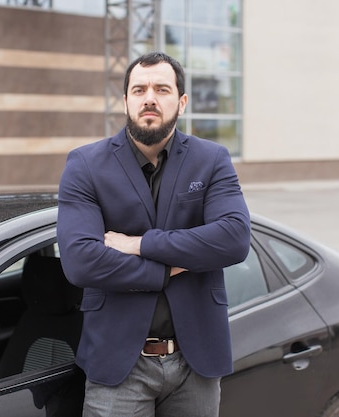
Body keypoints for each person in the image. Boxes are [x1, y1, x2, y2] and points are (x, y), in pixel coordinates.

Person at [57, 51, 250, 417]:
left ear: (181, 101)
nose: (150, 97)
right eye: (139, 89)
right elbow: (81, 261)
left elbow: (234, 238)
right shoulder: (85, 165)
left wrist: (140, 244)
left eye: (162, 89)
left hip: (196, 362)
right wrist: (168, 269)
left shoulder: (211, 160)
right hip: (118, 364)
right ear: (126, 100)